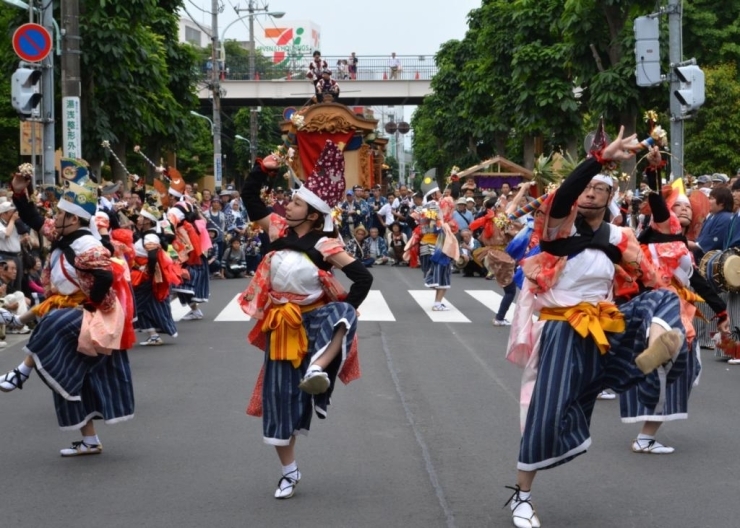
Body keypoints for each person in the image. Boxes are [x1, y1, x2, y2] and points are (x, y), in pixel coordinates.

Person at [505, 128, 688, 527]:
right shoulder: (558, 229)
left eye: (597, 189)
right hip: (563, 330)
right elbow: (565, 194)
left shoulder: (620, 237)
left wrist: (655, 176)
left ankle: (657, 345)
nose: (587, 194)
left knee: (665, 298)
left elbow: (650, 277)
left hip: (605, 328)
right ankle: (522, 497)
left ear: (609, 198)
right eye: (584, 189)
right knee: (547, 413)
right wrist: (600, 159)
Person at [240, 150, 373, 500]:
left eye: (296, 202)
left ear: (313, 214)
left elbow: (362, 278)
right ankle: (289, 471)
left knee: (344, 314)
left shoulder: (327, 244)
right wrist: (262, 170)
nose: (289, 205)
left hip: (314, 318)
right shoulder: (277, 229)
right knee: (278, 397)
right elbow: (249, 198)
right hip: (282, 324)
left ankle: (319, 365)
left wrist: (351, 306)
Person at [0, 163, 135, 456]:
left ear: (74, 220)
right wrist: (20, 192)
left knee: (55, 322)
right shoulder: (63, 234)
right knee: (68, 377)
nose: (54, 218)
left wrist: (90, 303)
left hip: (95, 315)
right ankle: (89, 440)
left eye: (60, 214)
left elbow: (105, 276)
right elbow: (35, 219)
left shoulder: (88, 244)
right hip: (73, 310)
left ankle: (21, 372)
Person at [132, 203, 180, 347]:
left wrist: (149, 272)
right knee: (147, 305)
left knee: (137, 304)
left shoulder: (151, 235)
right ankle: (153, 334)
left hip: (145, 275)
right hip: (143, 273)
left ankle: (153, 334)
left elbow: (152, 255)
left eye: (141, 216)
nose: (139, 219)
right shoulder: (147, 234)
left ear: (148, 220)